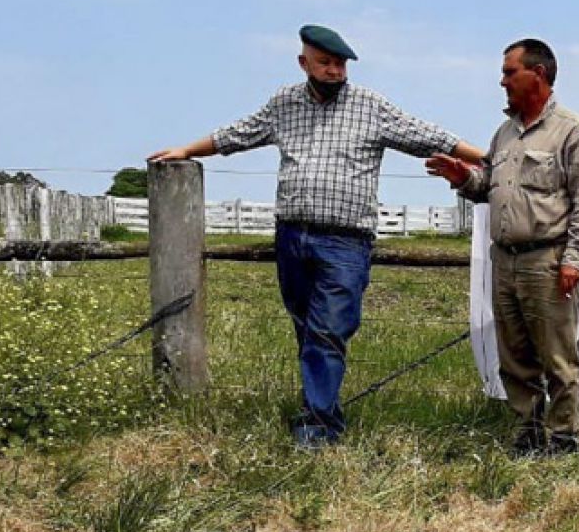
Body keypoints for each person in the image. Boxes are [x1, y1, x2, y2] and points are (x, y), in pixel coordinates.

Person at [148, 24, 483, 448]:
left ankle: (318, 428)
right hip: (292, 236)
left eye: (340, 63)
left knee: (327, 330)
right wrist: (187, 151)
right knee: (306, 327)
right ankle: (320, 408)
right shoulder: (284, 104)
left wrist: (487, 157)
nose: (334, 71)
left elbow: (430, 136)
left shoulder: (370, 106)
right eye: (325, 62)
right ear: (303, 62)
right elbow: (237, 134)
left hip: (345, 239)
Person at [426, 38, 579, 456]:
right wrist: (463, 178)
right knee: (514, 356)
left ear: (538, 74)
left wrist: (575, 259)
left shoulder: (574, 131)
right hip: (505, 260)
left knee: (557, 355)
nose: (502, 81)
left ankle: (563, 437)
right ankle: (528, 432)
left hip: (548, 259)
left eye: (510, 72)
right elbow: (489, 187)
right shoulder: (504, 133)